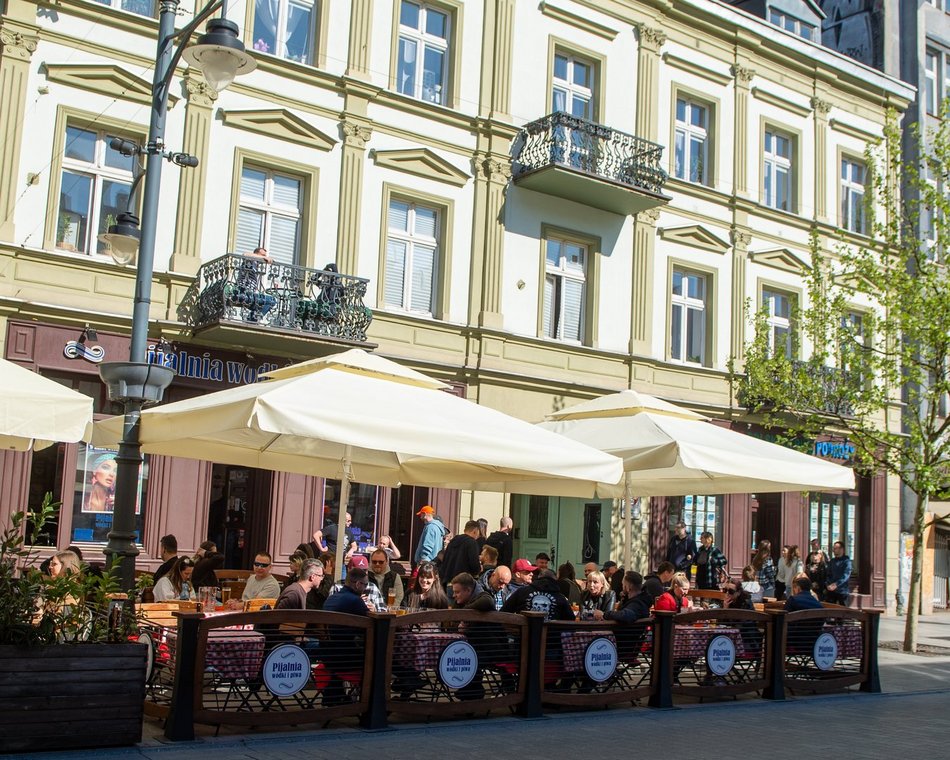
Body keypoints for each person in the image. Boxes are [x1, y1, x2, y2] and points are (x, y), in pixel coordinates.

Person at [321, 567, 370, 706]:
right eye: (365, 585)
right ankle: (368, 701)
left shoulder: (331, 598)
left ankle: (341, 694)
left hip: (328, 655)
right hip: (346, 659)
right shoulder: (355, 601)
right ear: (357, 584)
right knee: (378, 657)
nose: (366, 588)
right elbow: (371, 626)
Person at [592, 572, 652, 663]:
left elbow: (626, 615)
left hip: (622, 647)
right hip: (626, 645)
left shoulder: (637, 604)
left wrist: (604, 615)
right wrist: (624, 600)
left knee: (590, 642)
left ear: (628, 586)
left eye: (623, 584)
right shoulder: (639, 601)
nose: (622, 586)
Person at [502, 568, 574, 622]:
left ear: (538, 578)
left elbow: (503, 612)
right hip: (551, 640)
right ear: (555, 580)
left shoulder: (522, 592)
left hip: (523, 639)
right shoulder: (560, 597)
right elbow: (570, 619)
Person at [440, 520, 481, 594]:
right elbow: (474, 565)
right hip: (463, 585)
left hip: (448, 583)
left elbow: (444, 560)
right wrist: (479, 569)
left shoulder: (452, 542)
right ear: (475, 531)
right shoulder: (471, 543)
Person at [825, 541, 852, 606]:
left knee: (844, 612)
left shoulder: (847, 561)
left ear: (842, 549)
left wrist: (836, 584)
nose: (833, 550)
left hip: (842, 591)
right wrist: (828, 584)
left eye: (835, 548)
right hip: (831, 590)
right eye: (833, 548)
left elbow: (846, 576)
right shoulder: (832, 561)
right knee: (829, 610)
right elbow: (828, 574)